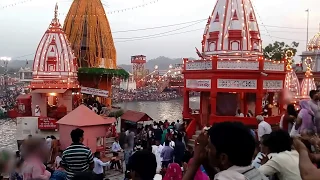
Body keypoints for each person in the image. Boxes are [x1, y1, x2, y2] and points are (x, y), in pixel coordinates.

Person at [183, 122, 268, 180]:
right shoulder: (258, 174)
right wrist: (205, 161)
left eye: (209, 147)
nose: (207, 150)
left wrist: (195, 162)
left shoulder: (225, 177)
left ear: (223, 158)